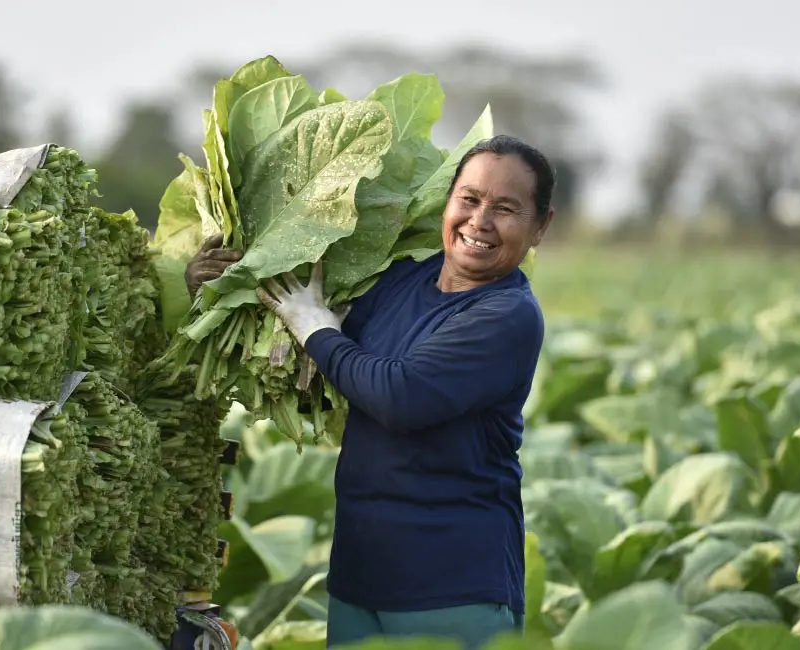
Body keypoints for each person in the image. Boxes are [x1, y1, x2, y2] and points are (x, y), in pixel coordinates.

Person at [185, 135, 554, 649]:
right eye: (469, 199)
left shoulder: (505, 316)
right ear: (448, 202)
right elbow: (310, 368)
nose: (480, 221)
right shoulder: (403, 281)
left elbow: (401, 397)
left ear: (540, 227)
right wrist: (218, 290)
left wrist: (315, 327)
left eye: (506, 208)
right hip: (361, 580)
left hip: (451, 588)